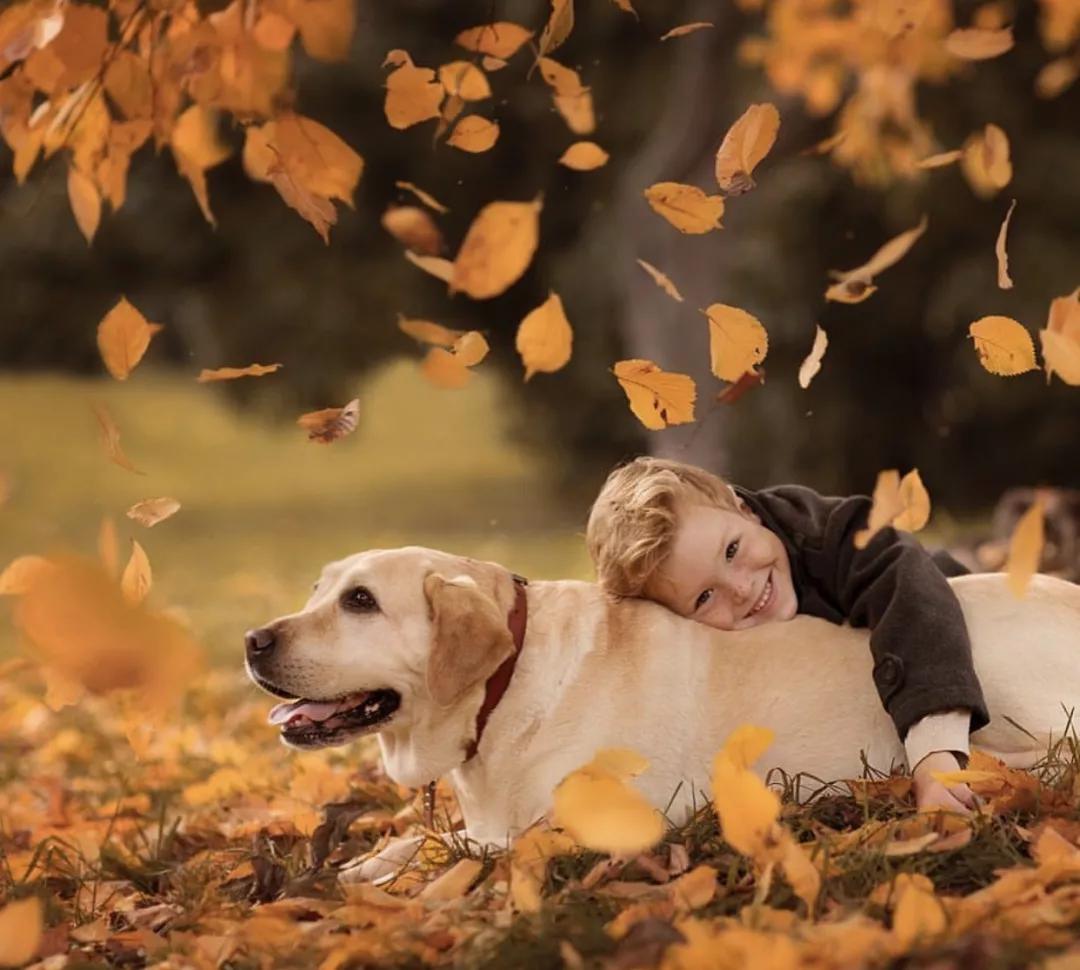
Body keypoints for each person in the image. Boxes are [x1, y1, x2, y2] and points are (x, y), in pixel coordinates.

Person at [585, 456, 988, 814]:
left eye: (731, 551)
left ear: (743, 509)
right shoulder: (695, 649)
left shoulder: (833, 533)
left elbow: (911, 598)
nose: (741, 589)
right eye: (705, 596)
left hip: (950, 617)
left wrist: (935, 755)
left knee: (950, 577)